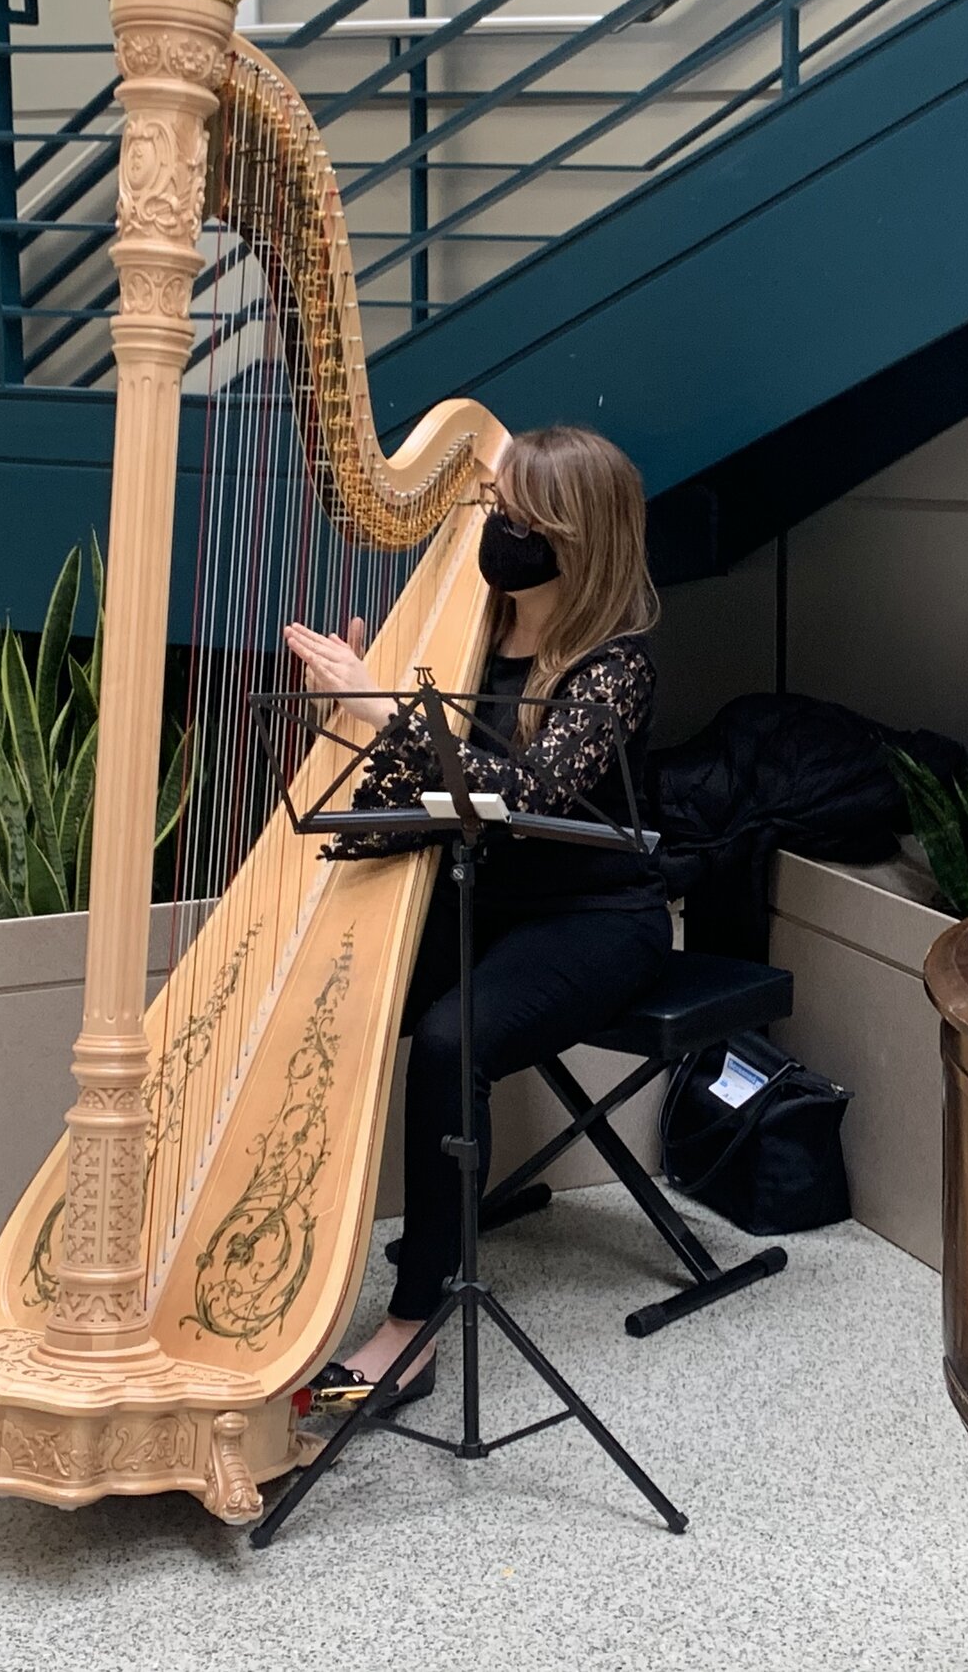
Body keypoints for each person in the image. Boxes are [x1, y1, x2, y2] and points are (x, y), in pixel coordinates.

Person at [280, 425, 669, 1404]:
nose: (494, 529)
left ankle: (414, 1321)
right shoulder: (465, 630)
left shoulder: (614, 665)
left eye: (516, 517)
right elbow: (414, 792)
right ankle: (277, 1263)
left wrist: (383, 712)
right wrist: (348, 718)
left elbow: (533, 796)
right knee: (322, 995)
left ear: (574, 535)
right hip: (476, 896)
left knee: (453, 1042)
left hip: (594, 916)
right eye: (491, 511)